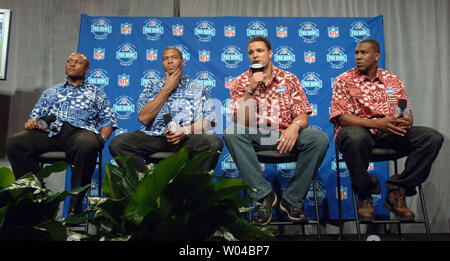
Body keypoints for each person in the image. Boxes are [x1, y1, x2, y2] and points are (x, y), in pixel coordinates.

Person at [330, 39, 444, 221]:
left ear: (376, 56)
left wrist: (404, 121)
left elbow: (405, 111)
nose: (358, 57)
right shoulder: (344, 80)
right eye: (357, 53)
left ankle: (398, 190)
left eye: (364, 53)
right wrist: (377, 123)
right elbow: (341, 117)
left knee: (431, 137)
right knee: (353, 135)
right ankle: (365, 195)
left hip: (388, 132)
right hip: (359, 132)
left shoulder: (393, 80)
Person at [223, 36, 329, 226]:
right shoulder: (241, 82)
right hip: (257, 136)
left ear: (270, 54)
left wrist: (294, 127)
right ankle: (264, 195)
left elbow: (303, 116)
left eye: (259, 51)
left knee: (318, 138)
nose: (255, 55)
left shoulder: (289, 79)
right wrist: (251, 90)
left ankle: (291, 200)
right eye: (250, 52)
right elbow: (240, 121)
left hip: (286, 134)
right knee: (232, 132)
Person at [6, 52, 118, 216]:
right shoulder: (51, 92)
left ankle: (75, 207)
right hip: (51, 133)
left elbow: (108, 121)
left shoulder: (97, 93)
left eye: (77, 62)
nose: (72, 64)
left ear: (87, 69)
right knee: (15, 143)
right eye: (69, 61)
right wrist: (32, 123)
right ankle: (34, 197)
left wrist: (101, 139)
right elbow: (34, 118)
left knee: (87, 144)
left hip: (80, 133)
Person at [109, 46, 223, 172]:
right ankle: (144, 186)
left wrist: (184, 131)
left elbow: (208, 122)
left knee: (213, 142)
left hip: (187, 139)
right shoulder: (152, 86)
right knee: (118, 143)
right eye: (165, 59)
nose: (169, 61)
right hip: (156, 138)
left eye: (174, 57)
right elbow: (143, 118)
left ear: (182, 62)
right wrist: (166, 89)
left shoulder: (199, 88)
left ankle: (193, 187)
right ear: (163, 63)